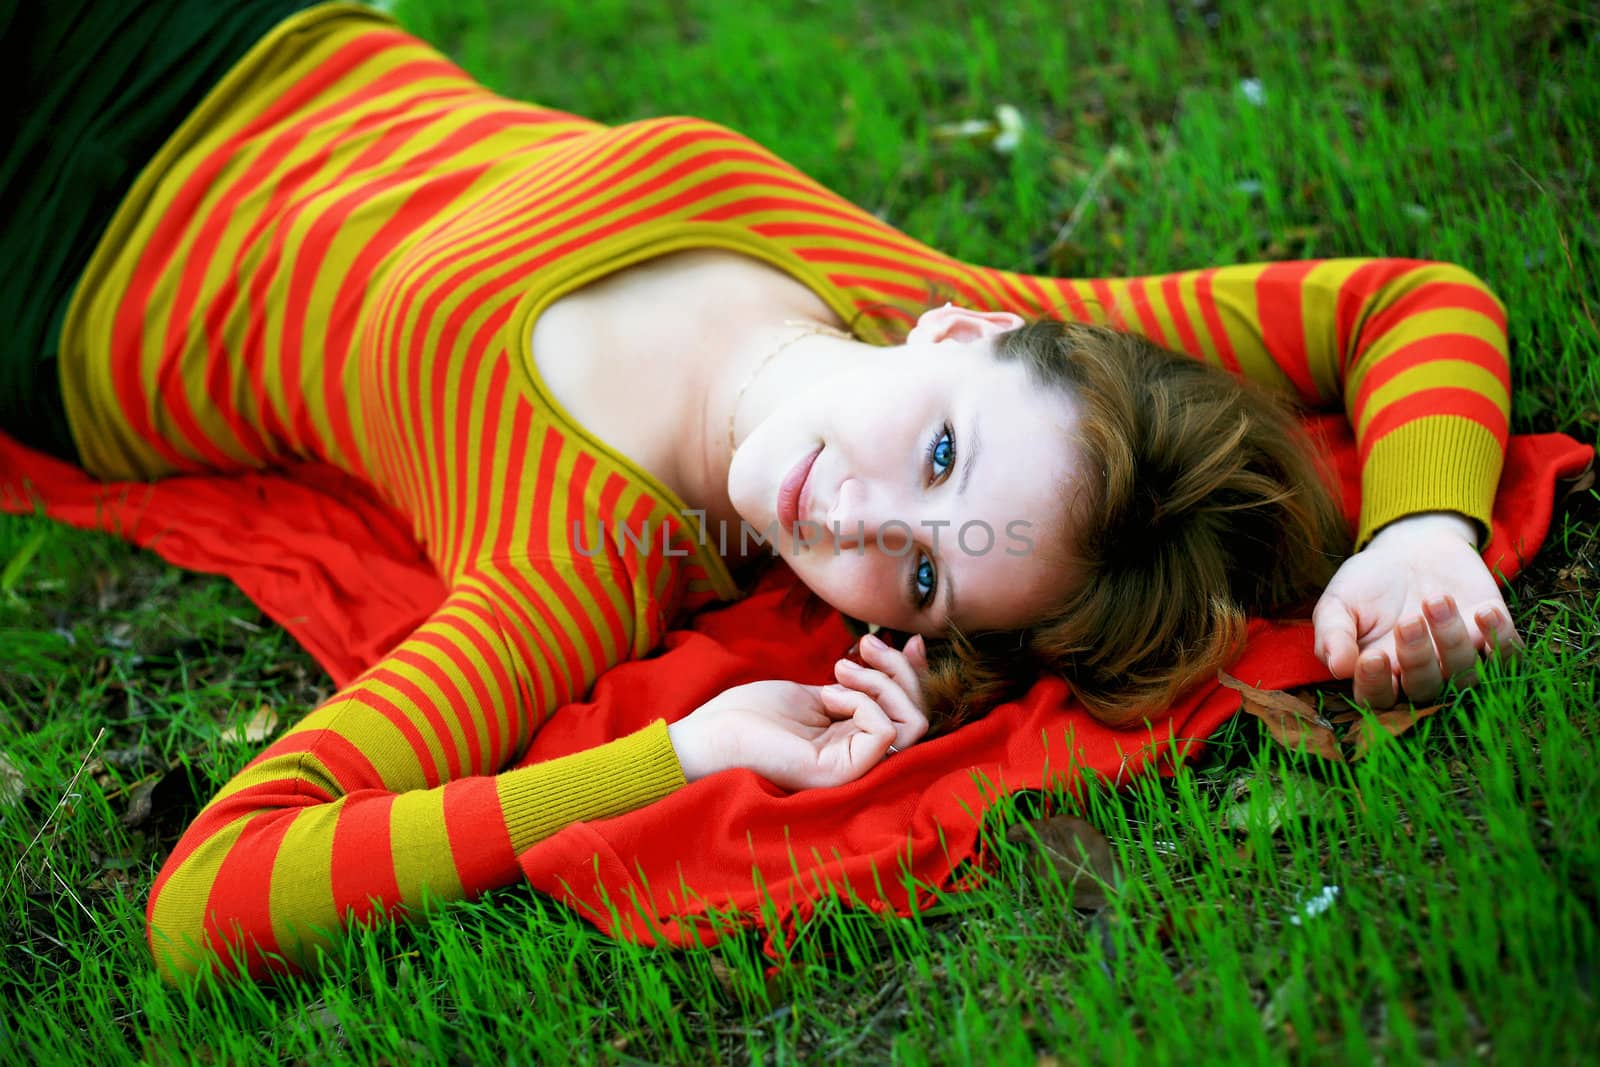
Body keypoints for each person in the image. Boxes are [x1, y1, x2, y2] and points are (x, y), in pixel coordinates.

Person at [0, 0, 1520, 984]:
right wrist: (1421, 528)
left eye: (920, 577)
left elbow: (215, 898)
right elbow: (1405, 303)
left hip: (55, 273)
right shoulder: (912, 285)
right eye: (940, 457)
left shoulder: (569, 570)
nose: (856, 523)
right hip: (245, 39)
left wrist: (673, 754)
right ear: (965, 336)